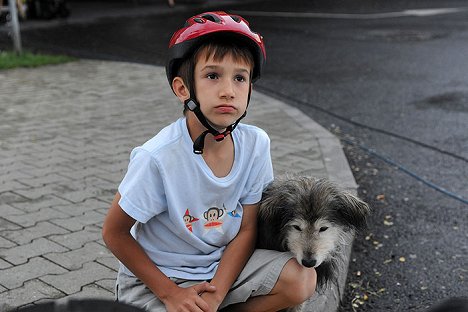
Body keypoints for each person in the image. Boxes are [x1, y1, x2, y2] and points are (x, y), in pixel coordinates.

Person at [102, 11, 317, 312]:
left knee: (302, 279)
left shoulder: (255, 144)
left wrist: (216, 294)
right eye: (213, 75)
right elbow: (114, 232)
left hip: (220, 269)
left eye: (240, 78)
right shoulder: (159, 156)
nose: (228, 90)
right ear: (182, 89)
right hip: (161, 281)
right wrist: (170, 295)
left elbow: (246, 230)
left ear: (250, 89)